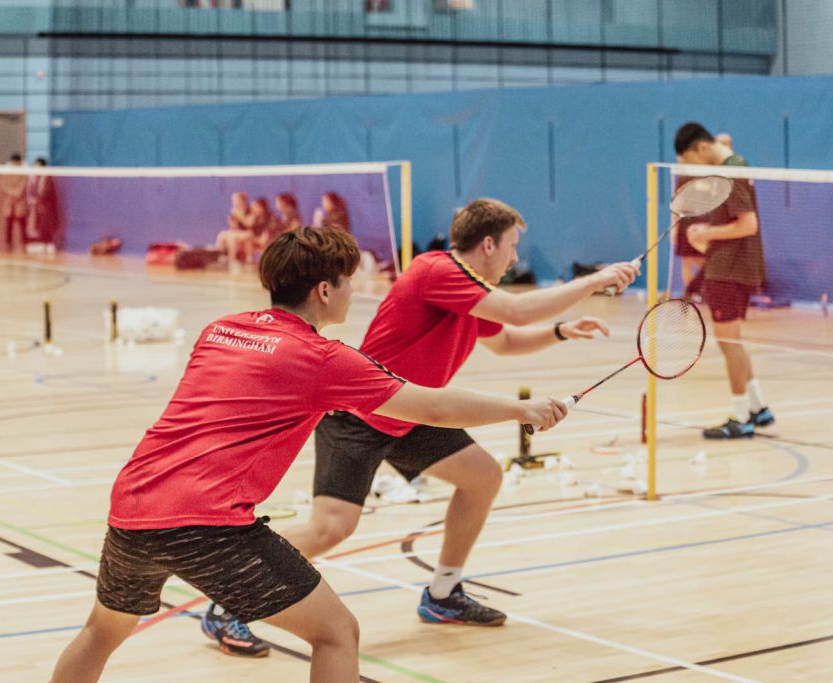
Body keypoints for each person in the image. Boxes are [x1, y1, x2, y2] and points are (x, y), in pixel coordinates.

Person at [48, 226, 566, 682]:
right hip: (206, 521)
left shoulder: (221, 329)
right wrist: (519, 410)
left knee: (102, 632)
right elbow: (429, 405)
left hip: (132, 506)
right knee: (336, 632)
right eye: (347, 281)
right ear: (324, 289)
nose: (352, 291)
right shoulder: (325, 358)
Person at [201, 198, 638, 655]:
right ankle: (229, 597)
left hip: (412, 413)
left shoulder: (470, 291)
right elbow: (518, 313)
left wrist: (562, 331)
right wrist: (597, 280)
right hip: (363, 414)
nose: (514, 258)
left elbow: (507, 339)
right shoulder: (438, 271)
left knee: (482, 476)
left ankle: (444, 595)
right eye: (511, 246)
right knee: (331, 528)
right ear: (487, 243)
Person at [674, 122, 774, 440]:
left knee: (729, 344)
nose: (691, 169)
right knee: (733, 342)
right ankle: (758, 408)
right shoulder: (730, 163)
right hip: (734, 266)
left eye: (691, 160)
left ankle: (740, 417)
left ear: (702, 149)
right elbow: (722, 145)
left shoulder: (731, 172)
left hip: (729, 269)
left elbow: (749, 224)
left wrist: (707, 233)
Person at [25, 157, 60, 250]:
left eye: (39, 165)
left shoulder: (47, 177)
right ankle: (36, 243)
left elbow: (48, 191)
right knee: (33, 225)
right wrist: (33, 200)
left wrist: (40, 199)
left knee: (45, 226)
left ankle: (47, 243)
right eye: (36, 165)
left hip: (45, 205)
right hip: (34, 205)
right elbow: (29, 191)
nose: (37, 167)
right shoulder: (31, 177)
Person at [215, 192, 254, 263]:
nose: (234, 202)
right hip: (237, 232)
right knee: (221, 235)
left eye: (235, 200)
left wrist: (239, 215)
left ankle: (232, 259)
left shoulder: (249, 209)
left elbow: (249, 224)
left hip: (247, 232)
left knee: (232, 238)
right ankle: (221, 256)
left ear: (242, 200)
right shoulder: (234, 210)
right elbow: (233, 226)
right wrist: (232, 221)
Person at [1, 153, 28, 251]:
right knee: (9, 225)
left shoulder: (24, 171)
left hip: (19, 202)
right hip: (9, 202)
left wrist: (17, 193)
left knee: (22, 224)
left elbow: (23, 185)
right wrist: (12, 193)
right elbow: (3, 185)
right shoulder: (6, 171)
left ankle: (24, 244)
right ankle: (8, 244)